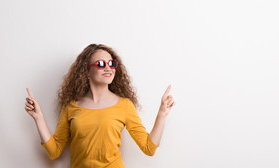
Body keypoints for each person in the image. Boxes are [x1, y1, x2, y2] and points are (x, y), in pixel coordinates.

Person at [24, 43, 175, 167]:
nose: (109, 68)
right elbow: (54, 152)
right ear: (87, 72)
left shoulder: (124, 105)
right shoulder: (71, 107)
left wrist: (162, 113)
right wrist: (38, 118)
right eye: (101, 64)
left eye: (112, 63)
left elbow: (149, 148)